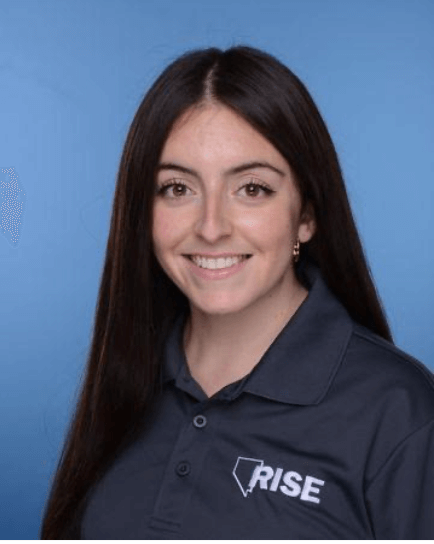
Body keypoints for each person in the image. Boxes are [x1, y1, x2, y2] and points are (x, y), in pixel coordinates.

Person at [40, 45, 434, 539]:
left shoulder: (402, 414)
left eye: (251, 189)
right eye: (178, 189)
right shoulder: (123, 380)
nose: (210, 228)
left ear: (307, 215)